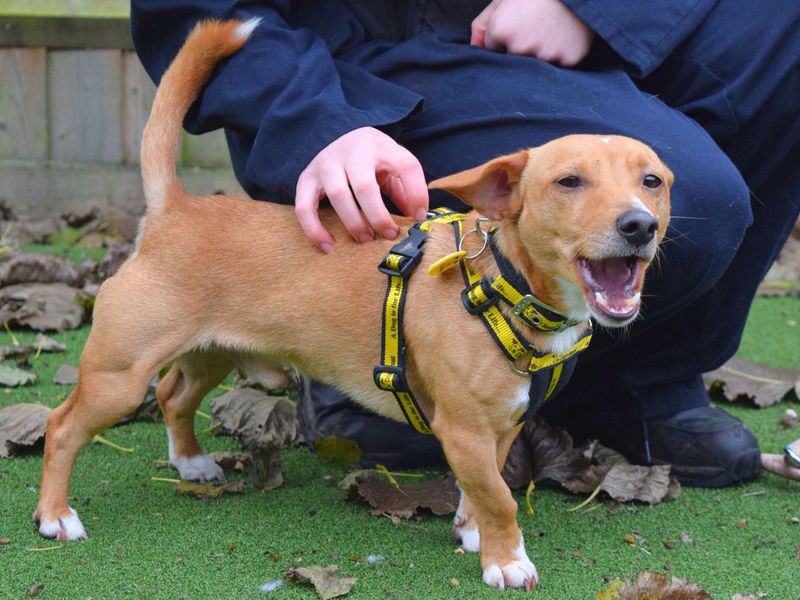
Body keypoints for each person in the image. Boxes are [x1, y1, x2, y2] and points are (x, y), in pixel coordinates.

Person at [131, 0, 800, 487]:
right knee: (706, 205)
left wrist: (591, 9)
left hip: (576, 38)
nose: (641, 214)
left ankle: (637, 380)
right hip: (361, 59)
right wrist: (314, 118)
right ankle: (375, 360)